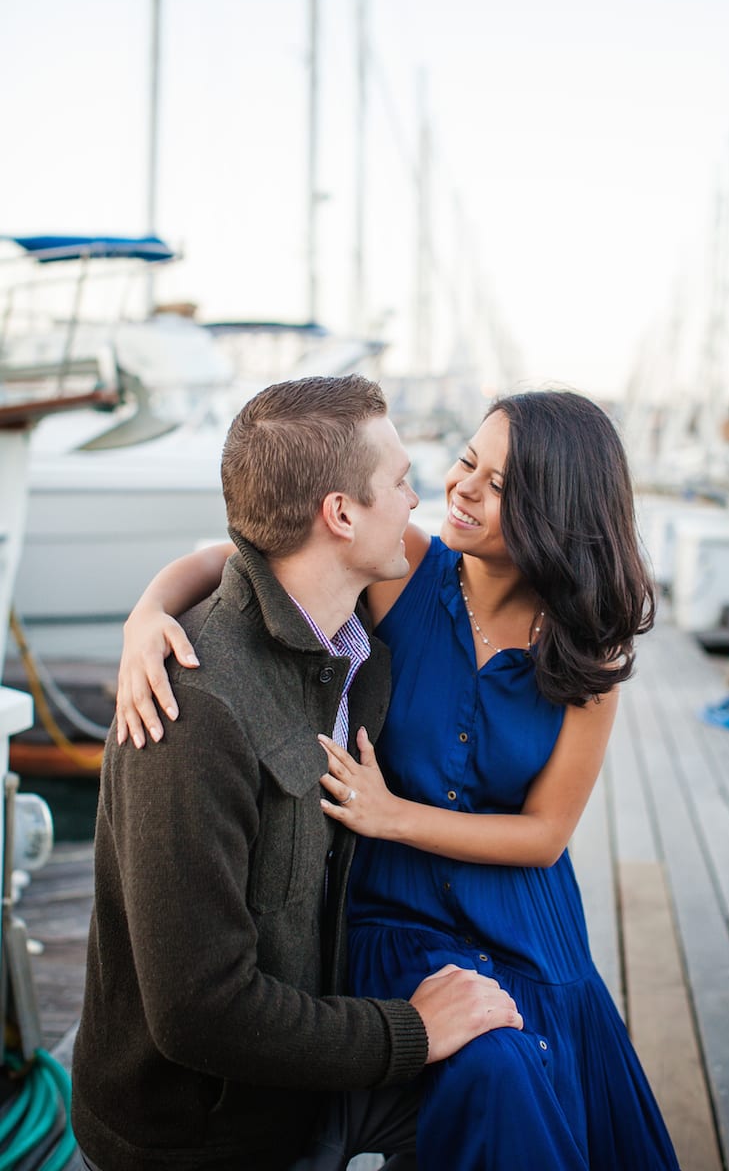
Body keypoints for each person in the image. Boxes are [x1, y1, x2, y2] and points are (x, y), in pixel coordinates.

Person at [115, 387, 682, 1171]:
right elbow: (246, 560)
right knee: (496, 1067)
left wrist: (393, 815)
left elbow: (547, 835)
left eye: (498, 485)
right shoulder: (404, 568)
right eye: (465, 462)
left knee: (548, 1078)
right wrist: (146, 612)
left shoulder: (586, 651)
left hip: (520, 916)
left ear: (558, 512)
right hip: (400, 912)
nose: (460, 488)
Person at [70, 375, 524, 1171]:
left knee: (515, 1090)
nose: (417, 499)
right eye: (398, 481)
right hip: (199, 1140)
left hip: (304, 1085)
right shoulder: (192, 711)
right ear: (340, 514)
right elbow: (200, 1013)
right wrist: (409, 1032)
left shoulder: (349, 655)